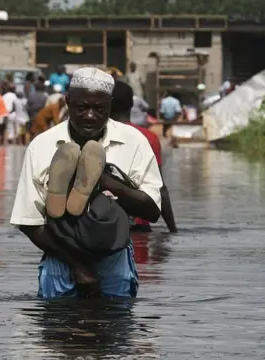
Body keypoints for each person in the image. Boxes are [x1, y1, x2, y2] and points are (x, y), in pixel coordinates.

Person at [10, 67, 163, 299]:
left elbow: (152, 211)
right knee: (101, 327)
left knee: (72, 329)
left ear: (110, 106)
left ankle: (94, 181)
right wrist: (77, 266)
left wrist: (104, 180)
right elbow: (28, 222)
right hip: (61, 256)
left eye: (99, 109)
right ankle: (69, 194)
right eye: (82, 108)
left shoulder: (134, 142)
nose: (90, 115)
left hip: (113, 253)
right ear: (68, 102)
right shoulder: (42, 145)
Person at [111, 80, 178, 233]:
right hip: (139, 225)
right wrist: (172, 229)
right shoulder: (149, 137)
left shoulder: (96, 135)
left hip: (102, 223)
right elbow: (159, 187)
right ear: (131, 105)